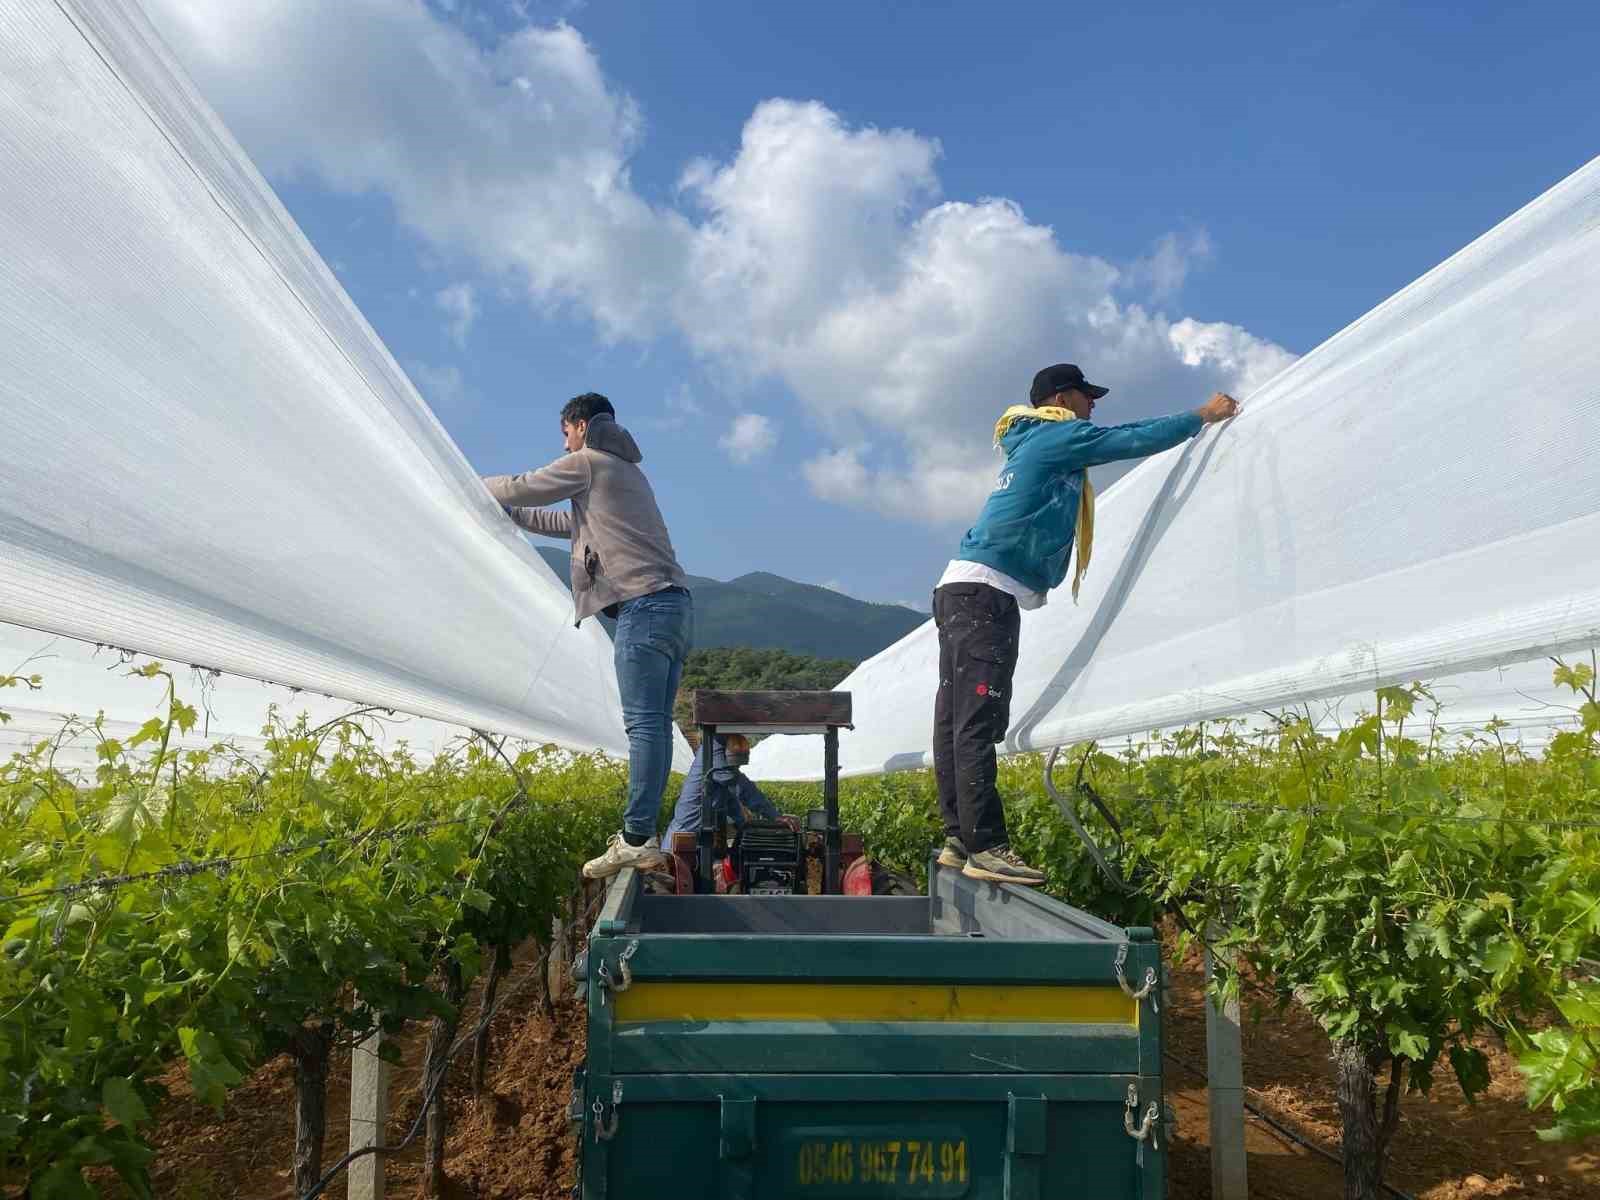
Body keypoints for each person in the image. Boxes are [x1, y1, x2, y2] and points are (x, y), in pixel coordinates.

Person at [933, 363, 1239, 885]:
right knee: (978, 722)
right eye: (1087, 396)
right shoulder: (1056, 435)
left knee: (956, 721)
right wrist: (1201, 416)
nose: (1093, 405)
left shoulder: (1029, 442)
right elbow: (1128, 438)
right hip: (986, 594)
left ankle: (960, 837)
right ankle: (987, 847)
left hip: (962, 590)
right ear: (1062, 397)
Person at [482, 392, 692, 879]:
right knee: (656, 726)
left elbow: (524, 486)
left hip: (643, 606)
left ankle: (636, 838)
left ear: (578, 425)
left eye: (564, 433)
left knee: (643, 727)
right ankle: (640, 833)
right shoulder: (627, 471)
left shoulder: (588, 461)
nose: (564, 442)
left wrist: (470, 486)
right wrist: (513, 515)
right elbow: (567, 523)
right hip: (674, 606)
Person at [662, 733, 782, 851]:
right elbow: (735, 783)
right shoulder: (715, 745)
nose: (737, 768)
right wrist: (774, 816)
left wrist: (745, 826)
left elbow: (729, 799)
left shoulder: (721, 750)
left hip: (702, 840)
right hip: (684, 840)